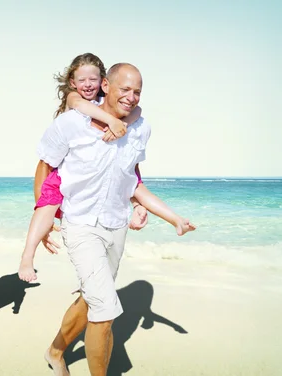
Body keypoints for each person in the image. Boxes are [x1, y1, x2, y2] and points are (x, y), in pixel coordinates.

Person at [36, 63, 195, 375]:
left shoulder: (140, 129)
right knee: (104, 309)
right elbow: (45, 168)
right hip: (80, 224)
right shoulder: (72, 124)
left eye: (137, 92)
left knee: (91, 299)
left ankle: (55, 351)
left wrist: (171, 217)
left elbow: (132, 181)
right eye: (125, 89)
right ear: (106, 86)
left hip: (116, 225)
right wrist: (43, 218)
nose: (132, 97)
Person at [18, 53, 193, 283]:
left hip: (105, 195)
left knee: (99, 287)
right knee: (47, 202)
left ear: (103, 82)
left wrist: (124, 124)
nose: (87, 85)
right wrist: (113, 122)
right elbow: (48, 159)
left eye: (93, 79)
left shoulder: (117, 104)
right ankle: (27, 256)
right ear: (72, 83)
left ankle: (175, 221)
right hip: (66, 169)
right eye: (81, 80)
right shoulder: (75, 101)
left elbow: (130, 166)